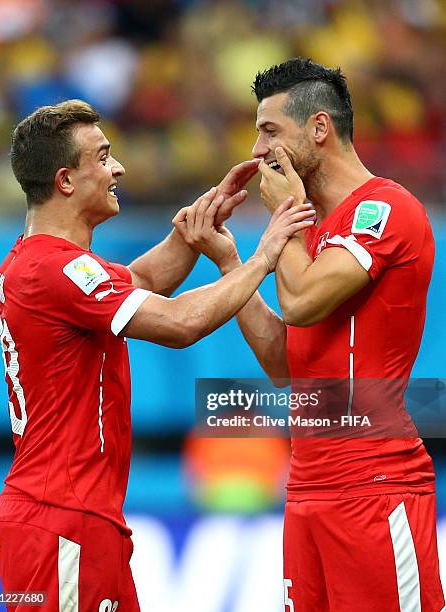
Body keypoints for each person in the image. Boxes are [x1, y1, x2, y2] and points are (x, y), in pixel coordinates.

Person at [0, 99, 316, 612]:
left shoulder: (46, 262)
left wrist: (195, 224)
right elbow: (179, 323)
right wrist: (261, 256)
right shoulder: (53, 271)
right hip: (61, 520)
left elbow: (140, 281)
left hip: (72, 516)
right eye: (102, 157)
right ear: (65, 181)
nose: (117, 168)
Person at [175, 59, 445, 611]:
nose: (256, 149)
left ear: (319, 128)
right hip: (306, 489)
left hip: (375, 482)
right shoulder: (312, 231)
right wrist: (230, 262)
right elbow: (285, 365)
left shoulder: (385, 209)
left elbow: (298, 302)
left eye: (269, 130)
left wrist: (286, 217)